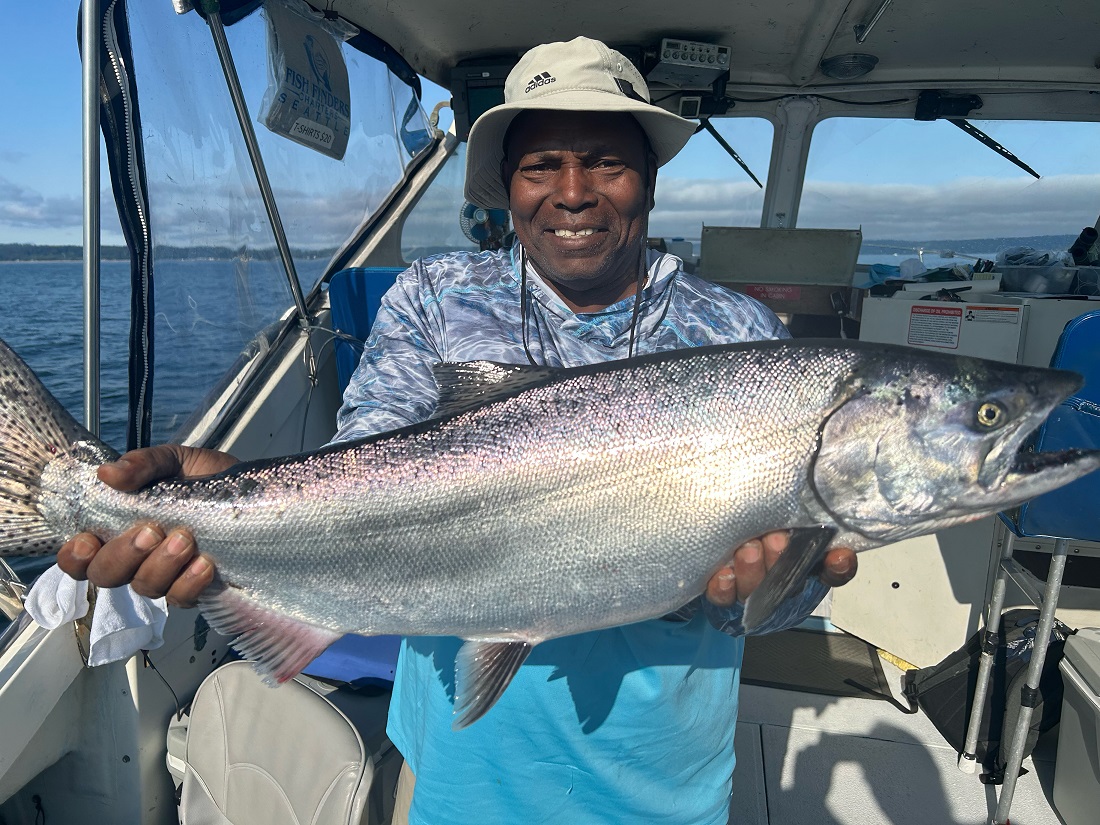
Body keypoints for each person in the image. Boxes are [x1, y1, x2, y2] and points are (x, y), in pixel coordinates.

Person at [57, 37, 857, 825]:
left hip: (658, 772)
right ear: (506, 185)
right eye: (542, 165)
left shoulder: (738, 332)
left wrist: (776, 586)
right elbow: (365, 455)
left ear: (647, 177)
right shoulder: (435, 297)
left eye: (606, 162)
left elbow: (777, 606)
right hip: (457, 759)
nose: (573, 192)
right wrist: (239, 500)